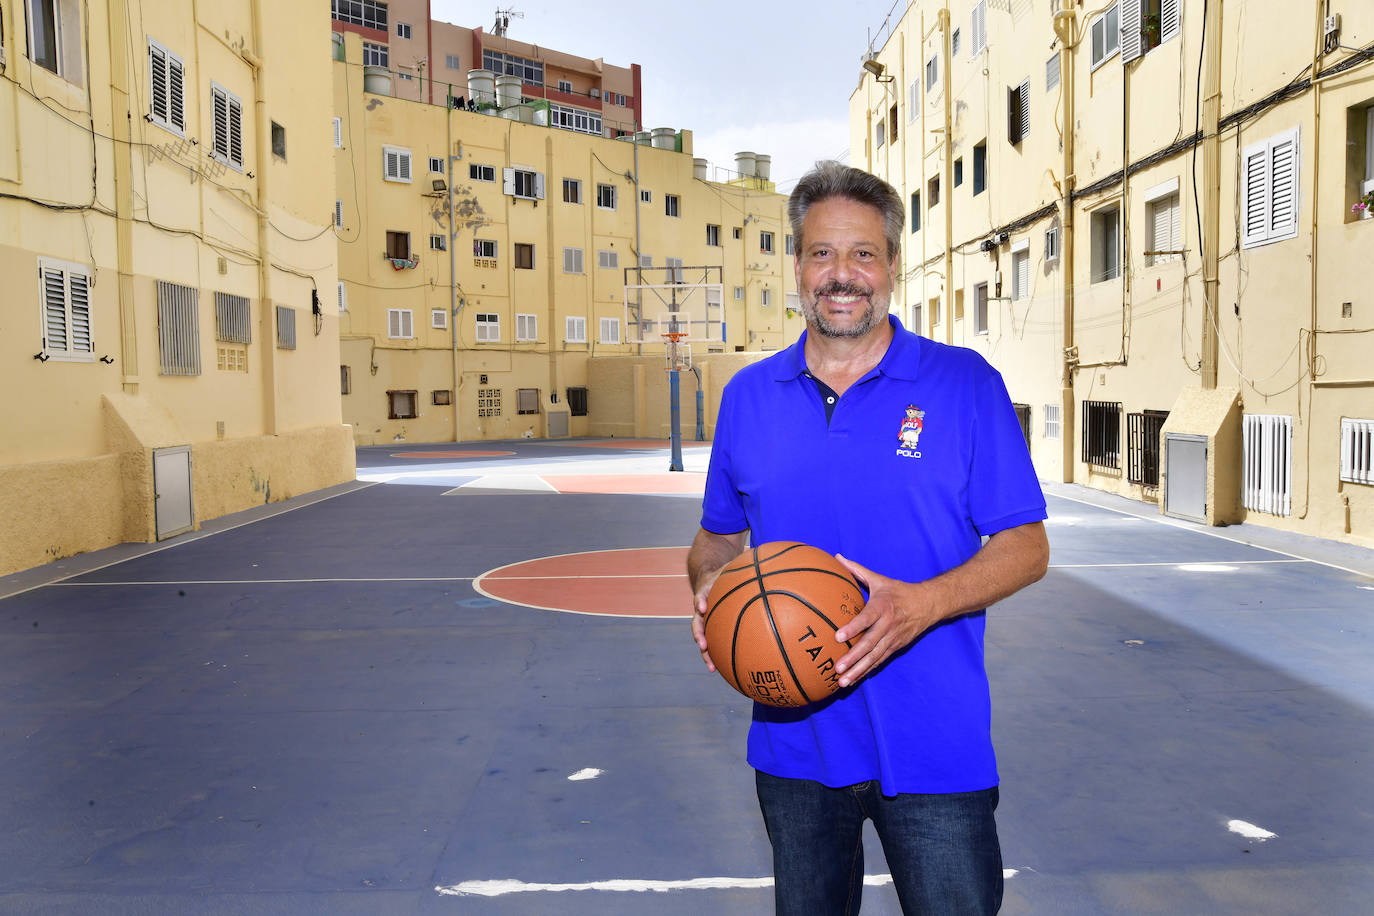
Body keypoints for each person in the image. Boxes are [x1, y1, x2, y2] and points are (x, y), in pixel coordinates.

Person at [687, 161, 1049, 915]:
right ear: (796, 266)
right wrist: (709, 588)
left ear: (890, 266)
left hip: (935, 740)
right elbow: (716, 539)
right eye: (822, 253)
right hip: (795, 739)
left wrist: (923, 604)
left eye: (862, 254)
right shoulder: (748, 398)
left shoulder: (963, 384)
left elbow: (1026, 544)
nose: (841, 275)